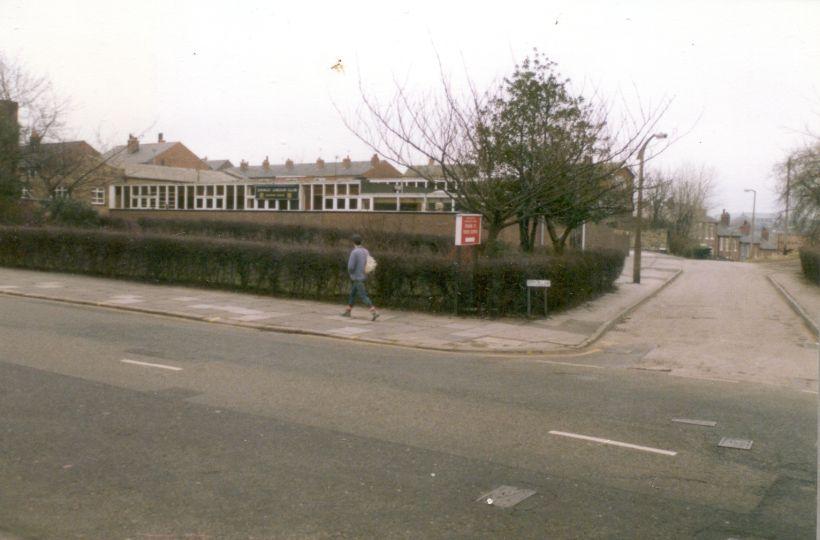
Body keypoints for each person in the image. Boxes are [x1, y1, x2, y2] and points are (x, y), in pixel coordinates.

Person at [341, 234, 379, 321]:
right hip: (363, 275)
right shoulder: (365, 251)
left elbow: (350, 266)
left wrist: (350, 273)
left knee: (363, 296)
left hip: (356, 277)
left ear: (353, 242)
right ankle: (348, 311)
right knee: (352, 294)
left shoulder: (354, 252)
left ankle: (374, 312)